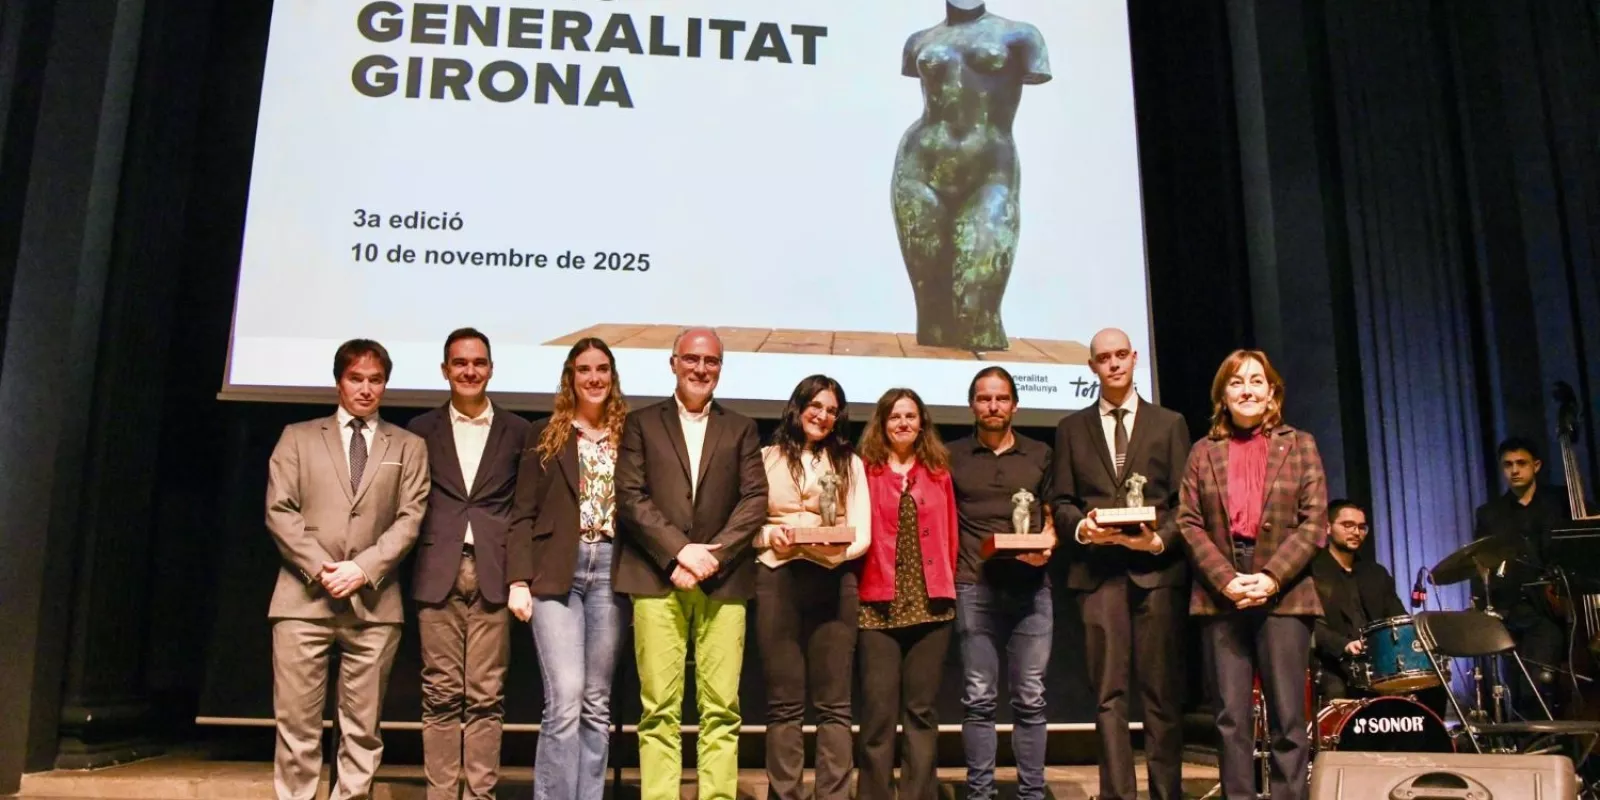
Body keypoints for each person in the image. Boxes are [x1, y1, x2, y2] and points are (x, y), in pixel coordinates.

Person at [264, 339, 428, 800]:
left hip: (374, 603)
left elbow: (410, 518)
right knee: (297, 722)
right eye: (357, 378)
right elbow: (280, 511)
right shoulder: (297, 436)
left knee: (362, 727)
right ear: (339, 381)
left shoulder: (409, 445)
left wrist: (362, 569)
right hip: (302, 599)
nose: (366, 388)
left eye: (375, 380)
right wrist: (322, 569)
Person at [614, 328, 768, 800]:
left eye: (711, 361)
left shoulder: (741, 427)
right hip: (656, 577)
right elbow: (631, 497)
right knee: (658, 708)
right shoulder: (641, 424)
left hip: (724, 582)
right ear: (674, 363)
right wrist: (680, 552)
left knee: (722, 708)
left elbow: (754, 500)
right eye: (692, 359)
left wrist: (710, 557)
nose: (701, 369)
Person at [1177, 349, 1326, 800]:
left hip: (1285, 591)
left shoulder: (1300, 445)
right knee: (1230, 718)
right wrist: (1226, 579)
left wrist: (1271, 577)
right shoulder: (1203, 451)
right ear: (1223, 395)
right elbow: (1188, 522)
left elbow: (1314, 520)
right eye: (1237, 382)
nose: (1247, 389)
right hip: (1222, 593)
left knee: (1287, 719)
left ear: (1272, 392)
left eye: (1257, 381)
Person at [1050, 328, 1191, 800]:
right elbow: (1063, 500)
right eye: (1102, 358)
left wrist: (1158, 542)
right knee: (1108, 697)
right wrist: (1082, 530)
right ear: (1091, 366)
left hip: (1157, 575)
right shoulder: (1071, 428)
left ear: (1134, 358)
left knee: (1161, 697)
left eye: (1120, 355)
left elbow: (1184, 503)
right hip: (1097, 575)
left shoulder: (1169, 423)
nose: (1113, 364)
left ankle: (1167, 793)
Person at [407, 328, 530, 800]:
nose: (469, 371)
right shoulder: (420, 430)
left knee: (485, 696)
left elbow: (524, 512)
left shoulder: (519, 431)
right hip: (437, 570)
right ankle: (440, 794)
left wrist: (522, 575)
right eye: (460, 363)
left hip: (494, 574)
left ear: (491, 369)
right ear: (445, 370)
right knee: (440, 695)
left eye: (478, 362)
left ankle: (480, 795)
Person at [506, 337, 628, 800]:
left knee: (597, 704)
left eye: (602, 369)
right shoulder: (546, 434)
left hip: (611, 571)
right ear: (570, 377)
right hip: (556, 572)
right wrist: (518, 578)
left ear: (612, 377)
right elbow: (520, 514)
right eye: (584, 370)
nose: (593, 378)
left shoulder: (629, 435)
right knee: (565, 698)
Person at [893, 0, 1051, 351]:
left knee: (979, 313)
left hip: (989, 170)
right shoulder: (920, 40)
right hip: (920, 165)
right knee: (932, 318)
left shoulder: (1021, 35)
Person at [754, 375, 871, 800]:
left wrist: (831, 548)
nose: (822, 415)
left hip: (832, 579)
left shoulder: (849, 462)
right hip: (777, 578)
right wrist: (773, 538)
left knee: (834, 706)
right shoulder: (764, 457)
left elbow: (863, 534)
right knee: (784, 704)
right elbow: (750, 527)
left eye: (831, 409)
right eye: (815, 406)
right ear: (798, 406)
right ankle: (784, 794)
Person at [947, 367, 1055, 800]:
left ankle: (1032, 793)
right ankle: (981, 793)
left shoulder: (1040, 453)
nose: (993, 406)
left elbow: (1053, 514)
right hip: (974, 586)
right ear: (972, 404)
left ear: (1014, 404)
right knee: (979, 698)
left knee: (1031, 698)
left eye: (1001, 398)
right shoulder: (951, 455)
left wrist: (1048, 542)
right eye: (984, 398)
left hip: (1032, 589)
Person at [854, 388, 960, 800]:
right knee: (878, 716)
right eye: (895, 416)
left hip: (931, 608)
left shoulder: (938, 473)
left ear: (922, 424)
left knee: (921, 713)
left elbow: (949, 536)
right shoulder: (865, 471)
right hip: (877, 608)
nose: (903, 423)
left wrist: (946, 588)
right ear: (882, 424)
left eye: (911, 416)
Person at [1472, 436, 1571, 713]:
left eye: (1521, 463)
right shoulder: (1490, 514)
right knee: (1515, 689)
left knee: (1536, 689)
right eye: (1508, 465)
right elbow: (1479, 565)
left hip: (1552, 611)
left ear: (1536, 465)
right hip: (1510, 613)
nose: (1514, 470)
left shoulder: (1560, 501)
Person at [1310, 500, 1406, 701]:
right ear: (1327, 527)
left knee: (1432, 687)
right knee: (1336, 689)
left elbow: (1397, 617)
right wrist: (1344, 645)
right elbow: (1310, 626)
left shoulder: (1376, 573)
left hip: (1378, 661)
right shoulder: (1312, 571)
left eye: (1362, 527)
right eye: (1347, 525)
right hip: (1330, 661)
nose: (1356, 532)